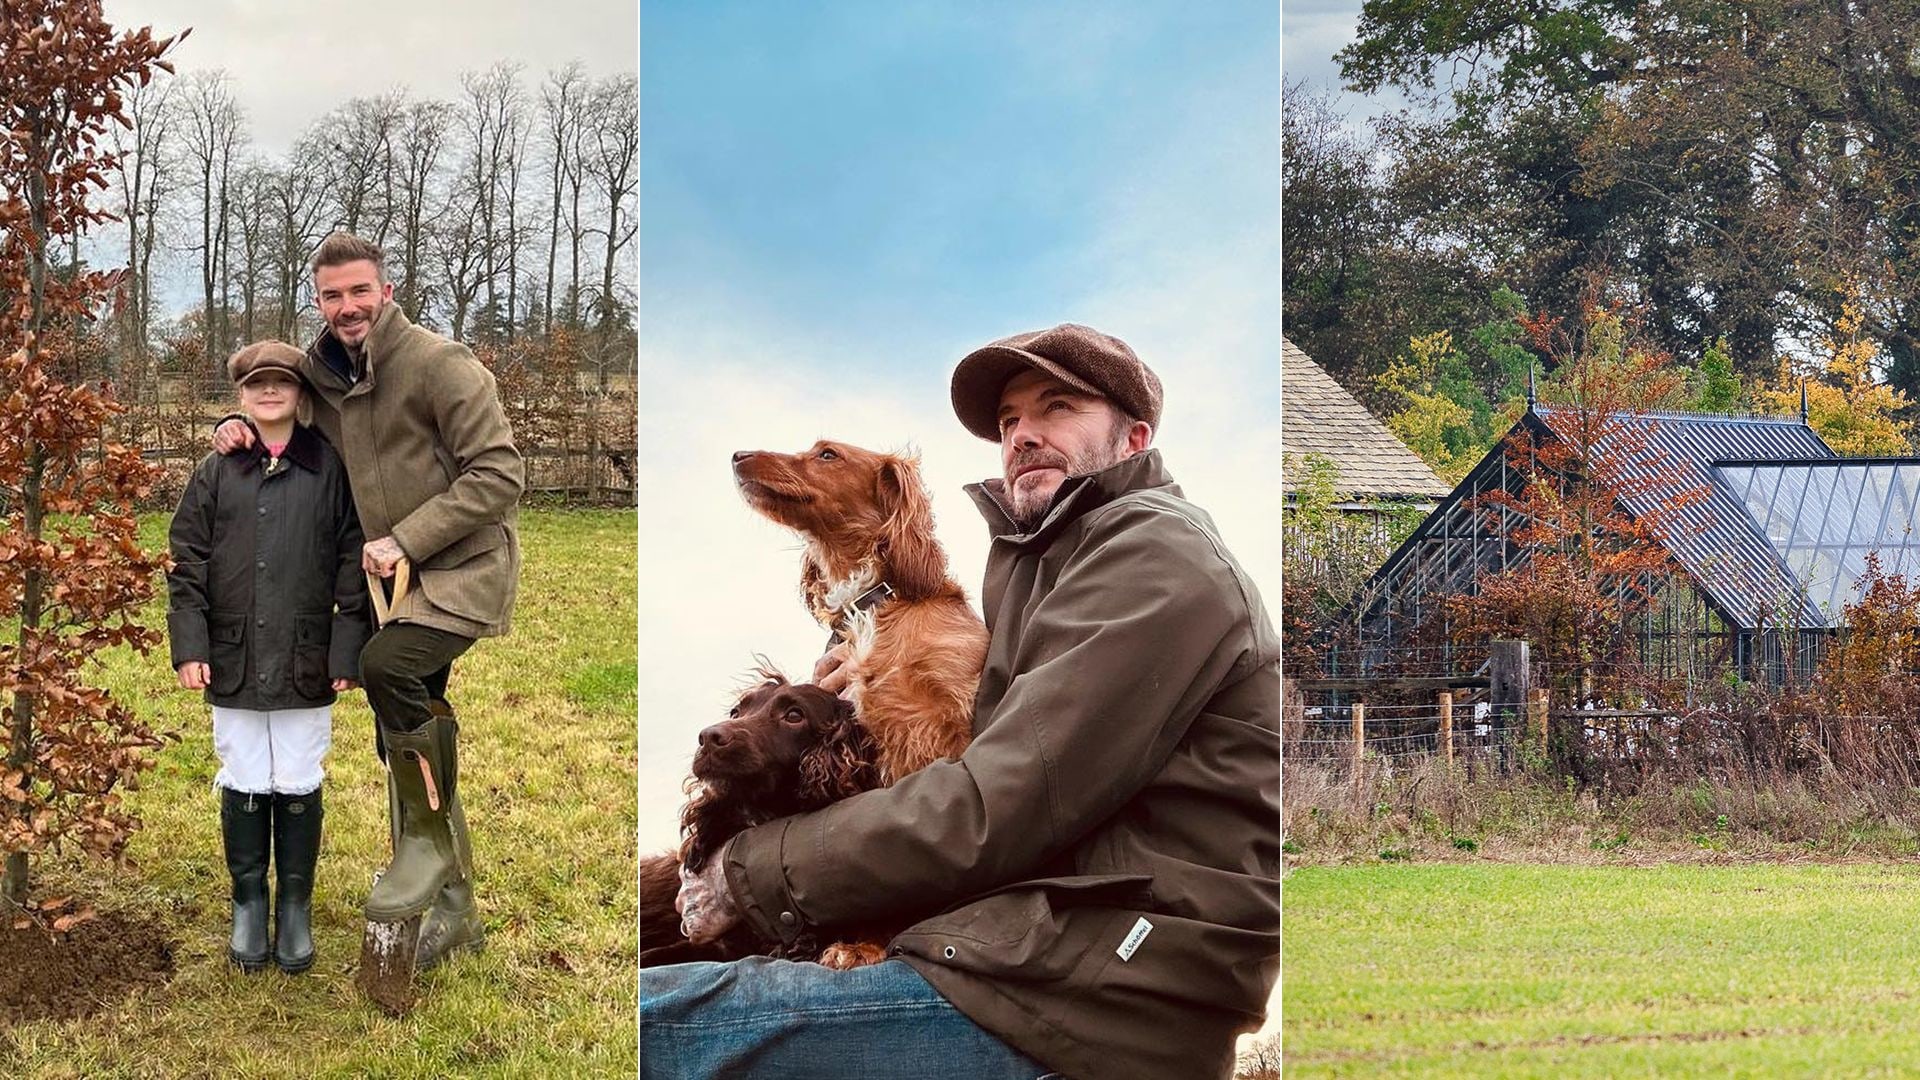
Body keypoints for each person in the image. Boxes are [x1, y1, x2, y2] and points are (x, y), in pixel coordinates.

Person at [645, 324, 1281, 1080]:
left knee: (649, 1021)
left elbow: (998, 801)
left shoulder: (1156, 560)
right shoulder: (1050, 571)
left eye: (1057, 408)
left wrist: (748, 873)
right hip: (1027, 952)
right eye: (1010, 422)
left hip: (1095, 1000)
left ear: (1135, 438)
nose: (1023, 436)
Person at [214, 231, 524, 968]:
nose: (347, 307)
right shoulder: (323, 375)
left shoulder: (440, 365)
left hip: (462, 568)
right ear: (316, 302)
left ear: (386, 291)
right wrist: (232, 428)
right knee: (405, 735)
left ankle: (427, 861)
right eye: (331, 296)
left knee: (389, 670)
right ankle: (454, 908)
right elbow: (280, 414)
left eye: (359, 291)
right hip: (392, 585)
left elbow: (500, 472)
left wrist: (409, 539)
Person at [169, 341, 371, 975]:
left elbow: (351, 558)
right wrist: (190, 644)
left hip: (307, 654)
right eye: (257, 384)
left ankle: (296, 906)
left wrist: (347, 645)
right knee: (244, 768)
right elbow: (187, 560)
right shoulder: (217, 469)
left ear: (300, 393)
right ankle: (250, 900)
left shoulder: (329, 468)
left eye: (282, 383)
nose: (270, 392)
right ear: (240, 396)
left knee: (299, 771)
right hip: (232, 652)